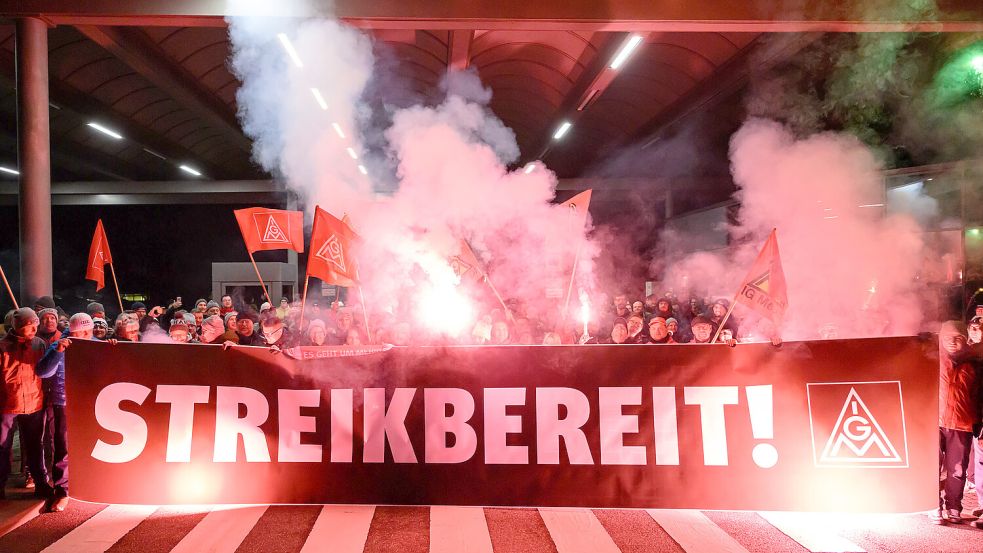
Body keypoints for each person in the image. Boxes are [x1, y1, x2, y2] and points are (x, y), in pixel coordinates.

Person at [35, 313, 95, 512]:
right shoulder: (59, 344)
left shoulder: (95, 343)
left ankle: (89, 485)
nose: (86, 335)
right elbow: (43, 372)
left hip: (90, 404)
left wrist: (112, 346)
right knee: (63, 448)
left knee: (91, 446)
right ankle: (62, 491)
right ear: (72, 330)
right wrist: (58, 352)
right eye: (81, 332)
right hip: (63, 403)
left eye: (89, 331)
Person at [0, 308, 53, 501]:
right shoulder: (3, 346)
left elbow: (45, 371)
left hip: (34, 402)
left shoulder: (39, 344)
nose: (33, 330)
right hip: (7, 403)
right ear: (18, 326)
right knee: (2, 446)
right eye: (29, 326)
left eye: (34, 326)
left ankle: (41, 483)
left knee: (35, 445)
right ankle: (1, 485)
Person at [932, 321, 980, 525]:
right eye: (947, 338)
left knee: (957, 468)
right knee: (932, 465)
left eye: (958, 338)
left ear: (965, 340)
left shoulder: (976, 363)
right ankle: (934, 506)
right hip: (934, 420)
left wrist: (978, 420)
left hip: (962, 423)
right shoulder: (933, 360)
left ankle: (954, 506)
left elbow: (979, 395)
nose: (952, 342)